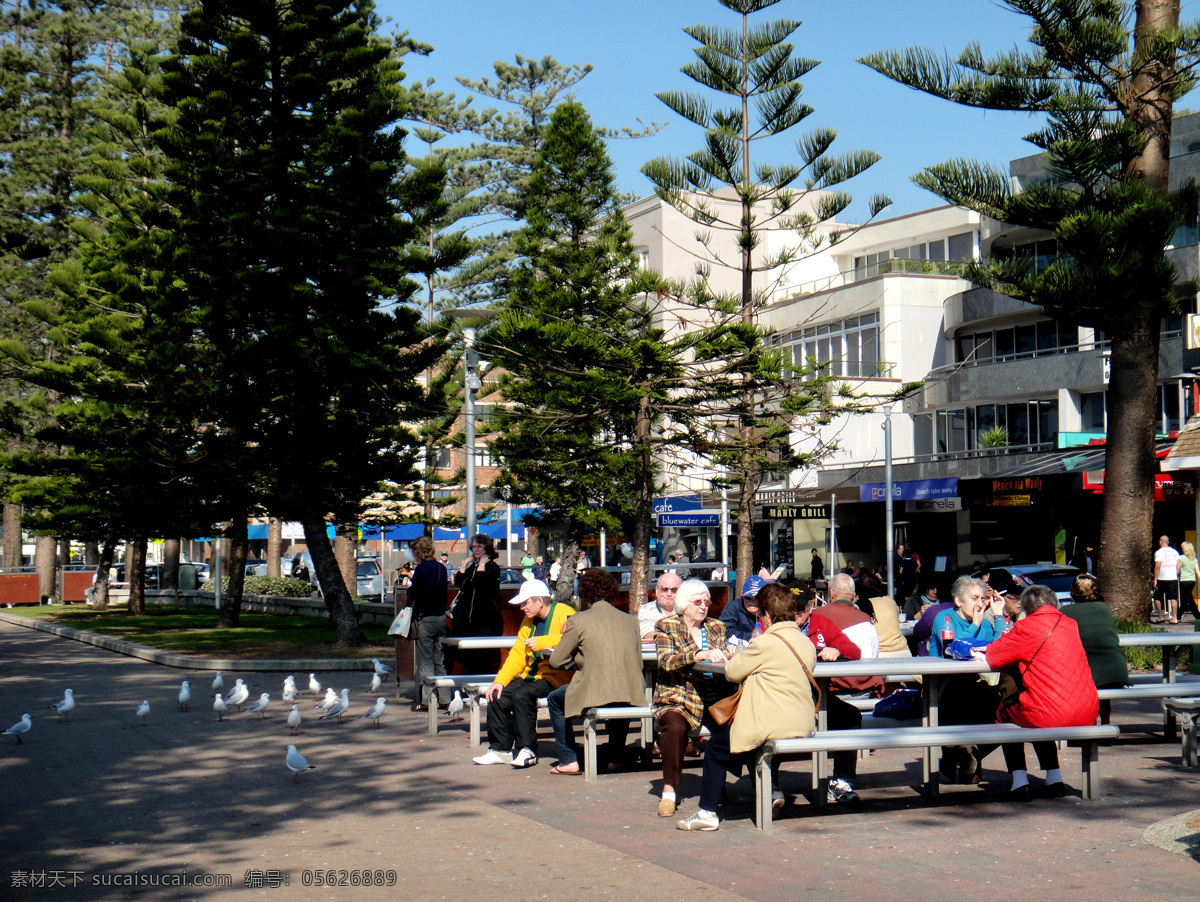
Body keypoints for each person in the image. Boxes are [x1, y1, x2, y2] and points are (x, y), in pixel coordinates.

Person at [676, 583, 817, 831]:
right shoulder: (804, 642)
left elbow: (732, 672)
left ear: (767, 615)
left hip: (770, 721)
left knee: (717, 746)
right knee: (750, 745)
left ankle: (707, 812)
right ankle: (771, 792)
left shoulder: (765, 643)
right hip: (802, 720)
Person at [981, 584, 1099, 800]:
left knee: (1010, 713)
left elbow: (995, 656)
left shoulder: (1026, 627)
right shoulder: (1070, 624)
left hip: (1049, 713)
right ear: (1054, 603)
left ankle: (1019, 781)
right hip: (1087, 710)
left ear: (1025, 607)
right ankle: (1054, 777)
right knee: (1038, 706)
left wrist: (998, 617)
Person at [546, 569, 646, 775]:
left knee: (555, 700)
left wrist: (576, 658)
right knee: (620, 692)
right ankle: (615, 757)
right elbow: (639, 664)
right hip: (630, 690)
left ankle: (568, 759)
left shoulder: (578, 620)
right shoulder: (630, 621)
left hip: (593, 690)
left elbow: (557, 661)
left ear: (584, 594)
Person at [472, 580, 574, 768]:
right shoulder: (528, 620)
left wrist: (544, 642)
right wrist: (500, 681)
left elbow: (574, 637)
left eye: (525, 603)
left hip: (555, 677)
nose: (522, 608)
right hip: (531, 676)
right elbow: (518, 653)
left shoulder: (566, 613)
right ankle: (500, 749)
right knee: (496, 694)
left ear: (540, 602)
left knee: (522, 695)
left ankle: (527, 749)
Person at [653, 579, 729, 818]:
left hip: (713, 695)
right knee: (674, 727)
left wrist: (728, 653)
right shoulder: (667, 625)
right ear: (684, 604)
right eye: (698, 602)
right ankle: (669, 790)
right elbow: (666, 660)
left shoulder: (716, 627)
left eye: (707, 601)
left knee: (738, 727)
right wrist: (698, 654)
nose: (704, 606)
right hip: (678, 696)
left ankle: (756, 788)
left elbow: (724, 653)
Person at [927, 576, 1003, 784]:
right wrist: (976, 625)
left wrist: (997, 617)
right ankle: (960, 756)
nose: (980, 604)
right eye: (974, 598)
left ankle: (969, 754)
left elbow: (998, 647)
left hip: (971, 682)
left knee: (1001, 709)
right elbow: (954, 649)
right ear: (959, 601)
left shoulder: (984, 621)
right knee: (962, 700)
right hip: (942, 685)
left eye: (982, 599)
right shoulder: (945, 618)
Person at [1060, 574, 1128, 723]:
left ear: (1073, 592)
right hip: (1114, 671)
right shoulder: (1104, 609)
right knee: (1101, 687)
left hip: (1085, 671)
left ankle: (1089, 726)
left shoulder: (1066, 612)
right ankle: (1105, 723)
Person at [450, 533, 504, 675]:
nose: (476, 549)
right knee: (468, 655)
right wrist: (464, 565)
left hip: (484, 618)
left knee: (481, 654)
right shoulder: (472, 567)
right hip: (468, 619)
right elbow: (459, 583)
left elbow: (481, 585)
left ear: (486, 547)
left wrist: (482, 565)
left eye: (479, 546)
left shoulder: (492, 567)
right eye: (473, 547)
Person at [408, 536, 450, 712]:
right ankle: (446, 698)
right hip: (441, 618)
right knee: (439, 660)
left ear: (418, 552)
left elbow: (415, 592)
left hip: (425, 619)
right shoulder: (441, 568)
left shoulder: (421, 569)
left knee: (425, 662)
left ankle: (427, 700)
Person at [718, 575, 772, 642]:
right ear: (742, 595)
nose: (752, 602)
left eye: (757, 598)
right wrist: (754, 636)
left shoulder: (770, 609)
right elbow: (726, 631)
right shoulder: (733, 608)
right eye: (748, 598)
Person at [639, 571, 682, 639]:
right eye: (664, 589)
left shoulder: (687, 609)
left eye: (674, 590)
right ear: (656, 590)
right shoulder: (646, 610)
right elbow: (650, 636)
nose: (669, 594)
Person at [1153, 534, 1181, 623]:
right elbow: (1179, 565)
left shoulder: (1159, 552)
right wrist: (1176, 574)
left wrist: (1155, 579)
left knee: (1157, 597)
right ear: (1168, 542)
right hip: (1173, 577)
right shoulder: (1175, 552)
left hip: (1162, 577)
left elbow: (1157, 566)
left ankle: (1160, 616)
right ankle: (1174, 617)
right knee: (1173, 598)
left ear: (1160, 542)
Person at [1179, 541, 1199, 621]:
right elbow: (1197, 570)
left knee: (1190, 600)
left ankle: (1198, 615)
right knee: (1185, 599)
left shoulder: (1181, 558)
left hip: (1184, 580)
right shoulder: (1194, 559)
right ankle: (1178, 615)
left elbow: (1178, 568)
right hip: (1192, 580)